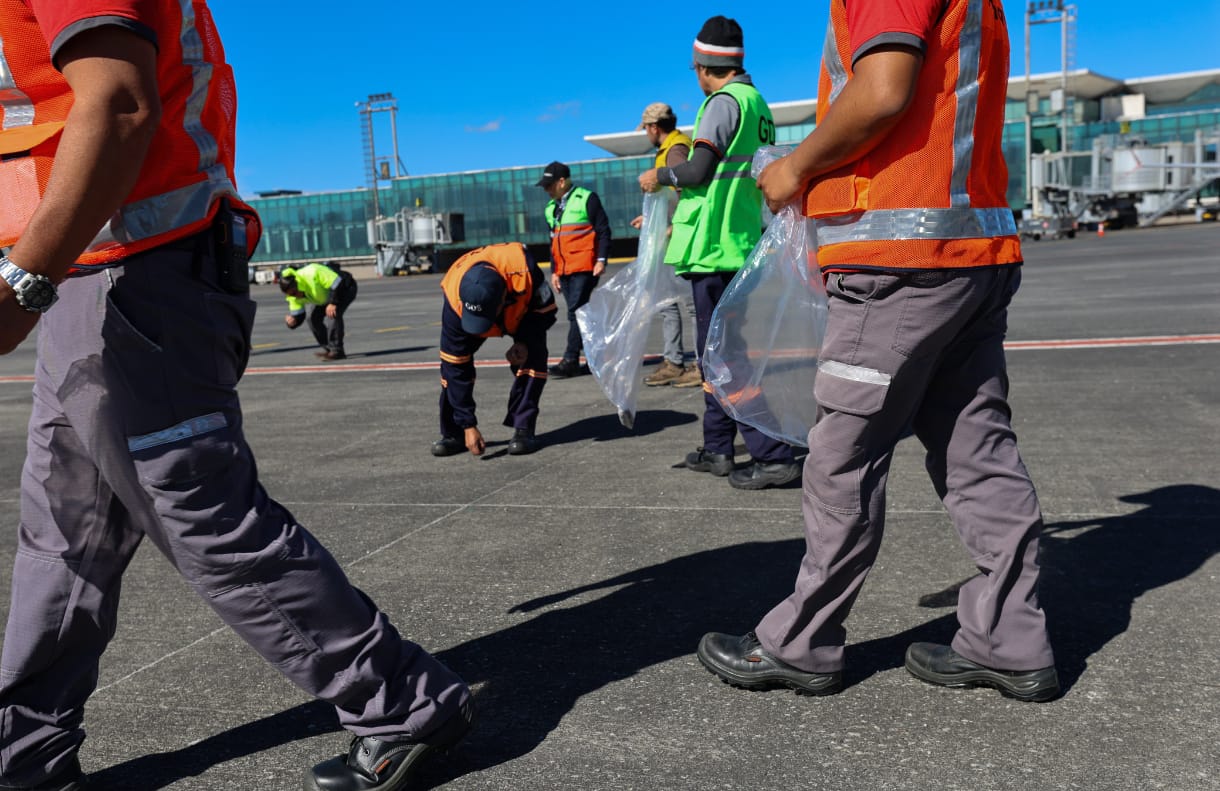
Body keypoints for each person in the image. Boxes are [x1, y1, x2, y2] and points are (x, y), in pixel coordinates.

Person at [0, 5, 473, 790]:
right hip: (97, 275)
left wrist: (22, 279)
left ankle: (402, 702)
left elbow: (117, 101)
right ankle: (24, 751)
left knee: (203, 513)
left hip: (134, 279)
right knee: (65, 533)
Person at [696, 0, 1060, 702]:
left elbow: (884, 89)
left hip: (899, 261)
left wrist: (795, 168)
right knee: (977, 449)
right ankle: (1010, 638)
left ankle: (800, 643)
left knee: (843, 457)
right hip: (972, 251)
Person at [639, 16, 800, 491]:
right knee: (715, 354)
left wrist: (658, 176)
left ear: (703, 66)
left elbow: (697, 172)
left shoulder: (722, 103)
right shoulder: (756, 104)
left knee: (725, 358)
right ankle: (718, 447)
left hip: (714, 246)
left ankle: (772, 455)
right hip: (737, 240)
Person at [432, 242, 558, 457]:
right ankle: (454, 433)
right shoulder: (454, 299)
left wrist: (523, 341)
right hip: (466, 314)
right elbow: (455, 367)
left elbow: (545, 311)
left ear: (503, 298)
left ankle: (524, 429)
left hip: (520, 315)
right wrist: (468, 424)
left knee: (534, 357)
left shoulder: (525, 271)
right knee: (451, 367)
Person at [631, 102, 702, 389]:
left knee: (691, 304)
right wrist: (651, 220)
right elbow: (669, 198)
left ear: (653, 127)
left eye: (646, 129)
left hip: (680, 238)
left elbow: (688, 193)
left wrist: (671, 228)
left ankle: (701, 364)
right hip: (670, 238)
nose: (646, 134)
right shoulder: (668, 149)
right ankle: (673, 361)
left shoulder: (675, 150)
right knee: (667, 302)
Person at [537, 161, 611, 378]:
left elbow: (603, 230)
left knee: (576, 313)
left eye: (549, 185)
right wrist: (554, 271)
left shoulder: (586, 198)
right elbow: (553, 242)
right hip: (564, 269)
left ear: (562, 182)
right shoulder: (551, 209)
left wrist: (601, 259)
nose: (546, 190)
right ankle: (595, 359)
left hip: (585, 266)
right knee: (581, 315)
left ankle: (570, 359)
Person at [280, 260, 359, 360]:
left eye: (294, 293)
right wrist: (292, 322)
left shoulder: (312, 271)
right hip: (325, 296)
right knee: (312, 318)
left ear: (298, 284)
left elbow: (338, 282)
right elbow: (299, 316)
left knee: (332, 314)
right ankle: (330, 349)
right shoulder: (293, 296)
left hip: (344, 287)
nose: (295, 297)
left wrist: (333, 302)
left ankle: (337, 351)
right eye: (290, 295)